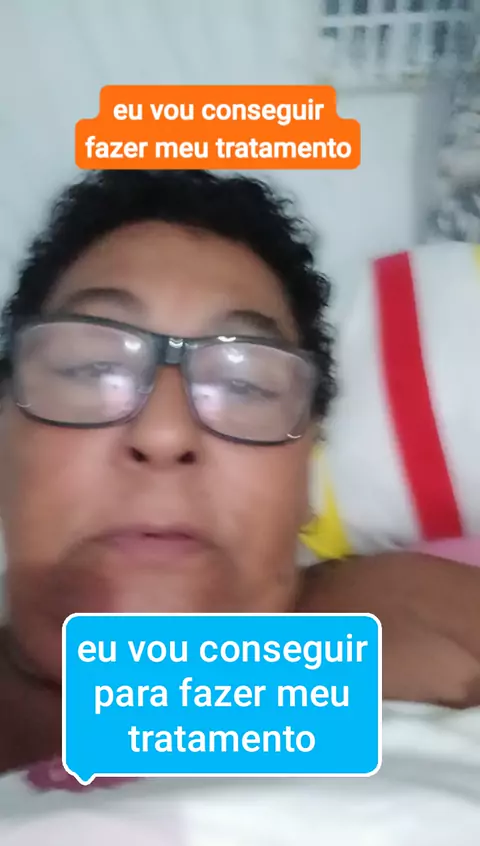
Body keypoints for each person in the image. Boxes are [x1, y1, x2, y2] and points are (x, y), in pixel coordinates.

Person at [0, 169, 479, 780]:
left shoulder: (423, 621)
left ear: (305, 475)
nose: (165, 433)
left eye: (245, 384)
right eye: (92, 368)